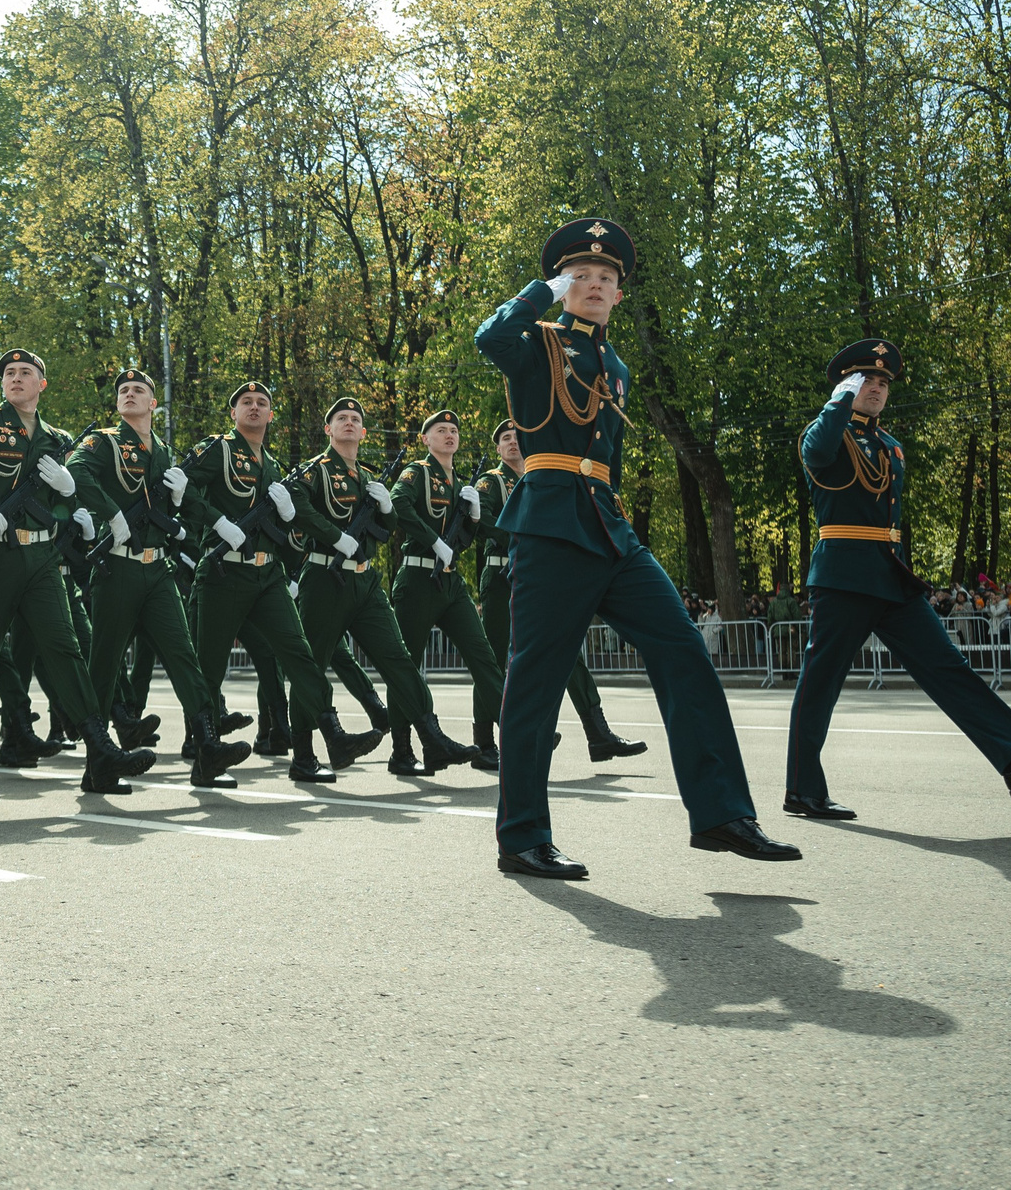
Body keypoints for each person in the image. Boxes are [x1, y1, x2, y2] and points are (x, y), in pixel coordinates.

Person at [473, 216, 797, 880]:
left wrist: (617, 519)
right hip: (551, 523)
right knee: (534, 682)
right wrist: (542, 289)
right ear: (564, 284)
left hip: (608, 526)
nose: (594, 285)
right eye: (581, 276)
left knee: (683, 649)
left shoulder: (615, 363)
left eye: (606, 278)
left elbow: (609, 458)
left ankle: (721, 813)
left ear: (620, 294)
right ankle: (522, 837)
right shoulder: (538, 340)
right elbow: (490, 336)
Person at [781, 338, 1011, 820]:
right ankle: (802, 791)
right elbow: (818, 454)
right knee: (821, 684)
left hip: (891, 577)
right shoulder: (826, 434)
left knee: (950, 668)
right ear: (847, 384)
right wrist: (840, 398)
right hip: (842, 578)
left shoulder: (890, 446)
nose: (876, 388)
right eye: (866, 380)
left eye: (883, 383)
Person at [0, 349, 153, 800]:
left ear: (42, 384)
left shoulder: (56, 438)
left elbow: (60, 508)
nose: (17, 379)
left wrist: (70, 493)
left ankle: (100, 748)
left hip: (41, 561)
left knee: (66, 650)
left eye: (27, 373)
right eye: (10, 373)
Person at [69, 367, 253, 791]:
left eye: (139, 390)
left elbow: (185, 503)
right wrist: (111, 513)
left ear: (154, 404)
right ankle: (97, 762)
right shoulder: (105, 442)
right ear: (118, 403)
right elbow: (76, 471)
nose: (130, 394)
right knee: (105, 664)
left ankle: (207, 748)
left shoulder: (166, 454)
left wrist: (200, 514)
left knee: (183, 657)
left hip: (158, 569)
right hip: (116, 567)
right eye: (124, 391)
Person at [180, 381, 345, 783]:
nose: (254, 407)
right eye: (246, 402)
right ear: (233, 412)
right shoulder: (219, 449)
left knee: (298, 653)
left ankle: (325, 740)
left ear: (272, 416)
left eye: (262, 403)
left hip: (267, 573)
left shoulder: (271, 465)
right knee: (211, 667)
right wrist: (215, 520)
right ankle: (206, 758)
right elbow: (178, 485)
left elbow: (282, 529)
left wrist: (289, 518)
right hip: (224, 572)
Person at [312, 403, 474, 775]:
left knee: (399, 662)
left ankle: (430, 738)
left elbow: (385, 531)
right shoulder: (316, 472)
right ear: (328, 429)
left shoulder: (367, 479)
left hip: (365, 579)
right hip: (324, 577)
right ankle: (306, 752)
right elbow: (300, 516)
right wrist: (334, 538)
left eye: (356, 419)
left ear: (364, 433)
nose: (350, 423)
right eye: (342, 419)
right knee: (311, 665)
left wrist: (384, 509)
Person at [482, 427, 646, 766]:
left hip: (541, 573)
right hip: (502, 576)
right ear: (497, 448)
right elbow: (484, 522)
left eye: (517, 436)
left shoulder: (543, 477)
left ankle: (598, 733)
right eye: (506, 439)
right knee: (495, 659)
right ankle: (485, 741)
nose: (513, 442)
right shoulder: (490, 482)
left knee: (568, 652)